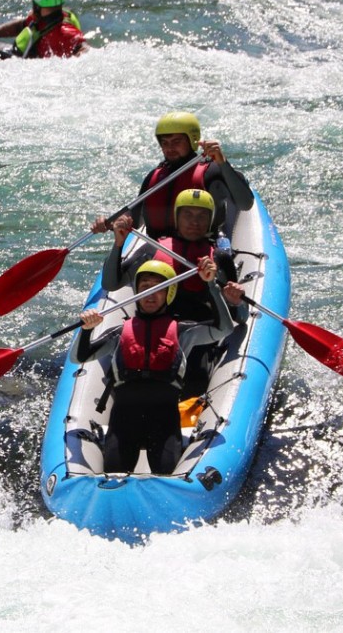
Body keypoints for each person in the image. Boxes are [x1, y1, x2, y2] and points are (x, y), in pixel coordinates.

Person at [73, 259, 232, 475]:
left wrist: (211, 285)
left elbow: (224, 329)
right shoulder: (119, 333)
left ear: (169, 293)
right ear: (136, 291)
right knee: (113, 476)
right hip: (124, 421)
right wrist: (86, 330)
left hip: (164, 421)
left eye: (158, 288)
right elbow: (79, 357)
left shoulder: (183, 332)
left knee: (166, 473)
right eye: (145, 287)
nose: (150, 293)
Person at [92, 111, 253, 239]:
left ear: (192, 140)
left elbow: (245, 204)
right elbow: (134, 218)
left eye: (176, 142)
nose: (169, 148)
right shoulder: (154, 177)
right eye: (165, 143)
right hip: (159, 250)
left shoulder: (212, 171)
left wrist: (223, 162)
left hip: (203, 251)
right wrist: (110, 223)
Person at [102, 188, 245, 322]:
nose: (194, 222)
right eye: (187, 215)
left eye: (202, 216)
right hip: (154, 331)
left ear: (210, 221)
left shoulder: (220, 258)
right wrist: (118, 244)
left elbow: (242, 318)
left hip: (201, 334)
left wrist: (235, 301)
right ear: (177, 218)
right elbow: (111, 284)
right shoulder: (153, 250)